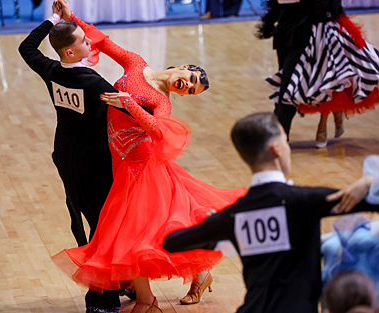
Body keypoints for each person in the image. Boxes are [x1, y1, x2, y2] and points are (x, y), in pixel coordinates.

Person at [51, 2, 247, 312]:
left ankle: (149, 299)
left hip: (139, 165)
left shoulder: (162, 101)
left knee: (138, 232)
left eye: (191, 92)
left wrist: (129, 103)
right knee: (158, 226)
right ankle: (198, 273)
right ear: (183, 66)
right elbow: (103, 42)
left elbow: (157, 129)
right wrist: (69, 17)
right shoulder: (136, 64)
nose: (187, 87)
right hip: (116, 158)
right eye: (191, 80)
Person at [162, 112, 379, 313]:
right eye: (286, 142)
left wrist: (216, 231)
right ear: (276, 149)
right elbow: (372, 203)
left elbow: (172, 242)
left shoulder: (234, 216)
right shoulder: (305, 201)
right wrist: (370, 182)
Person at [18, 1, 148, 311]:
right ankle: (102, 297)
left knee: (90, 217)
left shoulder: (51, 70)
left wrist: (53, 19)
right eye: (84, 41)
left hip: (65, 155)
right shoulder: (93, 83)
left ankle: (120, 281)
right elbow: (132, 111)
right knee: (104, 224)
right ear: (70, 53)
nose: (90, 42)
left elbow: (27, 47)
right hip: (95, 162)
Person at [258, 0, 379, 146]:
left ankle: (277, 141)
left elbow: (323, 8)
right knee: (286, 90)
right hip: (288, 33)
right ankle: (277, 140)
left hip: (303, 35)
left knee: (287, 93)